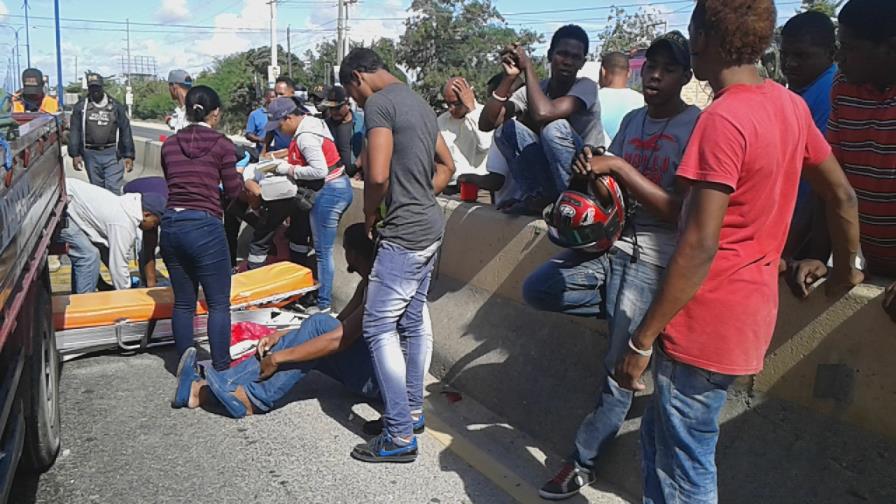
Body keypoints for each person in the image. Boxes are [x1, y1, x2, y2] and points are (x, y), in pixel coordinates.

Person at [612, 2, 861, 502]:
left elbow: (700, 244)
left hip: (703, 322)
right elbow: (842, 195)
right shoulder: (789, 105)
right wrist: (848, 269)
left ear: (703, 37)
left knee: (685, 473)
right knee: (663, 450)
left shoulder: (722, 120)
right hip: (748, 319)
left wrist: (642, 340)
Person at [529, 31, 701, 500]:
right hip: (614, 247)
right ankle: (629, 326)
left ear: (686, 76)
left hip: (655, 256)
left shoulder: (694, 126)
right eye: (651, 68)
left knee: (615, 369)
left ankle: (581, 461)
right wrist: (593, 172)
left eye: (668, 69)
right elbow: (615, 193)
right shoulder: (634, 122)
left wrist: (620, 169)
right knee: (539, 288)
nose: (655, 77)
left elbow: (677, 210)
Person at [172, 224, 433, 422]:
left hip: (389, 384)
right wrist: (281, 335)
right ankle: (203, 390)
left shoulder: (384, 290)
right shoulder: (371, 283)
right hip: (380, 370)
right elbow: (340, 323)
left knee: (316, 328)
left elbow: (338, 336)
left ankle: (251, 398)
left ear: (353, 254)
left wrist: (279, 358)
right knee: (309, 331)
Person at [339, 47, 455, 463]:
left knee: (377, 326)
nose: (355, 102)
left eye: (352, 94)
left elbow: (378, 173)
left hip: (403, 234)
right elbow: (448, 165)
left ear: (357, 78)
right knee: (410, 320)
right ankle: (411, 412)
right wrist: (423, 198)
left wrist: (372, 213)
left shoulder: (380, 104)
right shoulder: (418, 100)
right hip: (431, 227)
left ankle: (399, 434)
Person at [790, 0, 896, 323]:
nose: (839, 58)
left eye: (850, 48)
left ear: (889, 48)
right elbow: (833, 182)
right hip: (877, 266)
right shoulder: (843, 87)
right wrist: (821, 256)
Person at [160, 85, 243, 372]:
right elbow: (233, 190)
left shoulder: (169, 145)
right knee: (218, 303)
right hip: (204, 227)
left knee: (183, 302)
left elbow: (173, 180)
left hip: (171, 225)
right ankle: (221, 368)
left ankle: (185, 367)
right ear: (215, 113)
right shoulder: (222, 145)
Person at [480, 25, 605, 215]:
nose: (568, 61)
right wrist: (508, 78)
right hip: (550, 178)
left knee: (554, 128)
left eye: (575, 57)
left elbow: (544, 113)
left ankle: (571, 204)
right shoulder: (537, 89)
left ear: (582, 63)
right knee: (505, 130)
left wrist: (528, 67)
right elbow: (488, 123)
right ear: (549, 56)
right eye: (562, 54)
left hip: (585, 179)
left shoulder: (586, 87)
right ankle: (539, 198)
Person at [254, 96, 354, 314]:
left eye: (280, 125)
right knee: (321, 250)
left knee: (323, 251)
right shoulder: (312, 123)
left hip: (330, 190)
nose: (279, 130)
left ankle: (324, 304)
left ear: (289, 117)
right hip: (338, 186)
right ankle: (318, 297)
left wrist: (287, 169)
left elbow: (319, 170)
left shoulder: (305, 136)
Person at [780, 11, 838, 260]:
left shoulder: (827, 94)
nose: (790, 63)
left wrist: (787, 250)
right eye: (785, 55)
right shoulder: (802, 92)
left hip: (802, 236)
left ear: (830, 53)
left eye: (802, 56)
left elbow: (817, 186)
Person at [56, 178, 165, 294]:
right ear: (146, 214)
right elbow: (118, 268)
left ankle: (82, 293)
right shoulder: (123, 224)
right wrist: (127, 296)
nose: (154, 228)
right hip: (62, 205)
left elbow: (108, 252)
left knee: (96, 250)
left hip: (65, 196)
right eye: (155, 223)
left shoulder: (125, 207)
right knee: (89, 256)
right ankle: (84, 305)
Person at [68, 72, 136, 195]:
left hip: (112, 154)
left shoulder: (116, 106)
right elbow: (75, 131)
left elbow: (125, 130)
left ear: (102, 87)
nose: (95, 91)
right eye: (92, 88)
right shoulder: (81, 107)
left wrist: (129, 155)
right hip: (91, 154)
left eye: (97, 87)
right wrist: (75, 154)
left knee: (113, 189)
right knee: (97, 191)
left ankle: (114, 213)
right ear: (88, 88)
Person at [437, 77, 492, 186]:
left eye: (456, 104)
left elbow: (485, 145)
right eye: (447, 104)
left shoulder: (486, 114)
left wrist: (471, 109)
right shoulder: (441, 121)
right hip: (448, 187)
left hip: (478, 190)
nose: (451, 109)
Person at [123, 176, 169, 287]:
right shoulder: (150, 209)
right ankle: (148, 279)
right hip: (135, 191)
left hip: (158, 194)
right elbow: (149, 248)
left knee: (169, 245)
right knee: (148, 241)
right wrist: (151, 287)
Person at [598, 52, 645, 143]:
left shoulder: (594, 98)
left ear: (603, 71)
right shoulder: (640, 99)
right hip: (629, 154)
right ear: (629, 73)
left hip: (600, 155)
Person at [322, 85, 365, 173]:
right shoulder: (324, 126)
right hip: (334, 176)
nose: (333, 112)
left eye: (337, 108)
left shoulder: (363, 123)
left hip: (358, 177)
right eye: (331, 108)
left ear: (348, 105)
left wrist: (359, 168)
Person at [245, 89, 276, 153]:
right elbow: (248, 134)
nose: (275, 100)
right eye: (272, 97)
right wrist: (261, 139)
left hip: (281, 153)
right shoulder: (255, 114)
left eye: (276, 97)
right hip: (262, 153)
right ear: (266, 98)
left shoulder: (283, 113)